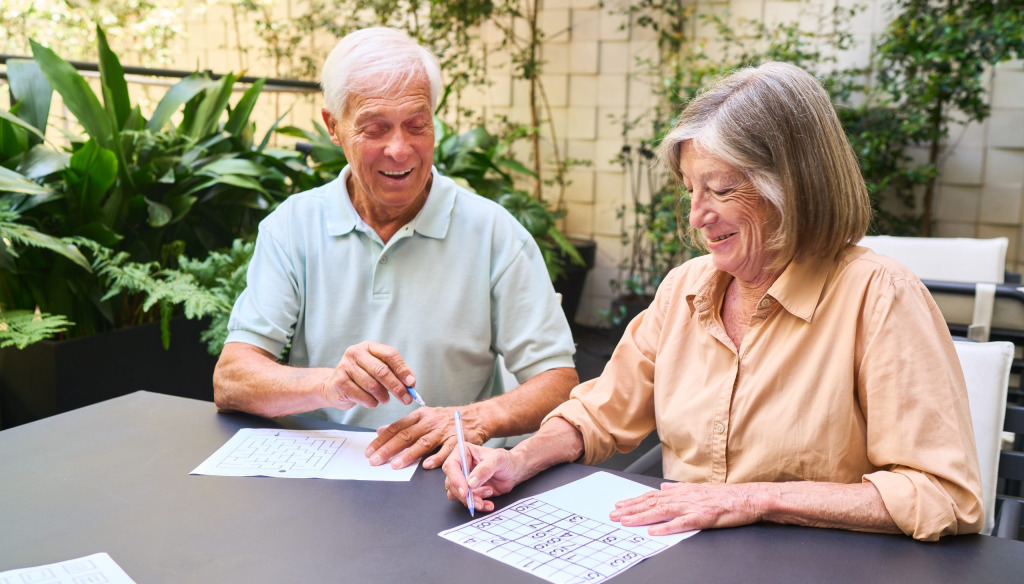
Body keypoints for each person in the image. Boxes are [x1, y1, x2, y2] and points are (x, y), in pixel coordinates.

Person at [442, 62, 984, 541]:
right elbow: (599, 413)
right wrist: (514, 461)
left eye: (721, 190)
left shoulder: (880, 296)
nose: (698, 214)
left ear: (792, 189)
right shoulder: (685, 288)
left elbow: (944, 496)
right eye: (690, 189)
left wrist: (753, 499)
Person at [213, 27, 578, 471]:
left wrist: (470, 420)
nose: (400, 150)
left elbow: (559, 382)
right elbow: (232, 378)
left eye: (417, 125)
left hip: (450, 474)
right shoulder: (292, 226)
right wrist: (330, 385)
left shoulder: (495, 233)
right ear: (334, 127)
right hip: (322, 474)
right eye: (375, 128)